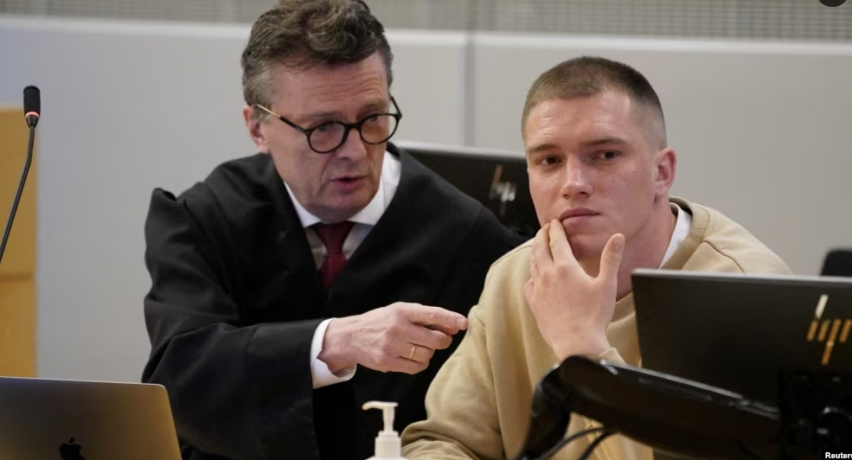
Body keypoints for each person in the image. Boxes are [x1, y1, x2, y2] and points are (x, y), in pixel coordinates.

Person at [140, 1, 525, 459]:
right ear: (258, 128)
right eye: (323, 128)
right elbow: (180, 379)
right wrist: (332, 342)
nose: (355, 151)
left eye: (373, 117)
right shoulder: (203, 220)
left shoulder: (470, 239)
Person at [401, 56, 792, 460]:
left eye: (604, 155)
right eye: (550, 160)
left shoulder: (748, 292)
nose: (574, 184)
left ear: (661, 172)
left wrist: (582, 348)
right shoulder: (517, 275)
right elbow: (444, 441)